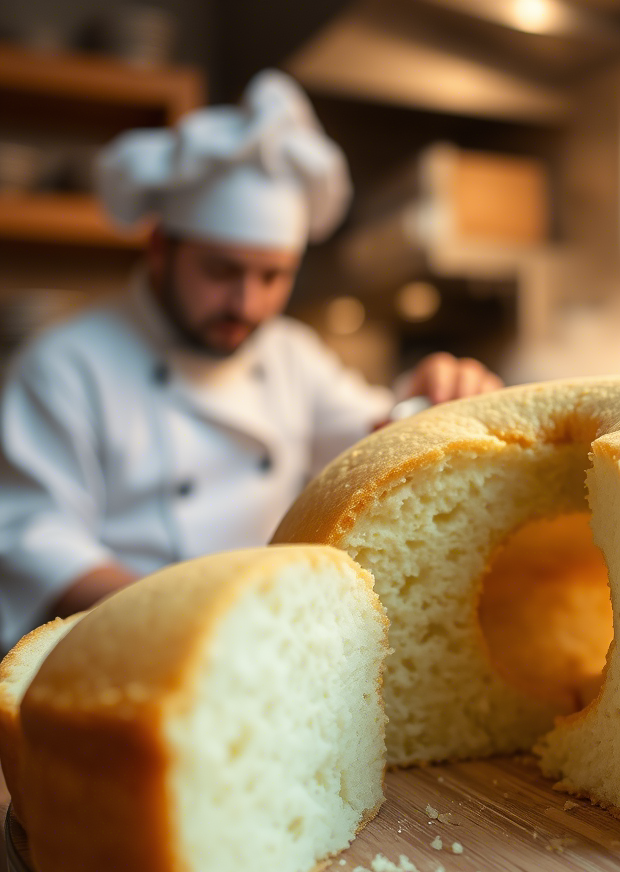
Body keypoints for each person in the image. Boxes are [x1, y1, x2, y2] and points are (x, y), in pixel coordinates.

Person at [0, 71, 501, 652]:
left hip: (261, 646)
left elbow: (373, 445)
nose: (248, 304)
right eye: (221, 271)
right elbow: (32, 541)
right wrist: (184, 619)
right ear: (161, 248)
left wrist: (430, 400)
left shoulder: (290, 354)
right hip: (125, 648)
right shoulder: (65, 364)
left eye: (273, 276)